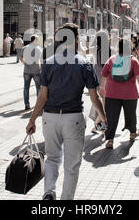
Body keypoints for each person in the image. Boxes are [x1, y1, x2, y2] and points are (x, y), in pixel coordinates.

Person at [26, 23, 107, 201]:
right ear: (76, 40)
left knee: (52, 158)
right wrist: (103, 117)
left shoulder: (48, 63)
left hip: (50, 118)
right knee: (72, 165)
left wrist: (32, 119)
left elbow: (42, 96)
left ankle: (48, 192)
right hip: (73, 118)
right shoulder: (85, 64)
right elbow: (95, 97)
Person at [100, 39, 139, 149]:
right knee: (130, 114)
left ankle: (110, 140)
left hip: (112, 93)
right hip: (130, 94)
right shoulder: (133, 60)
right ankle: (132, 133)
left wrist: (102, 87)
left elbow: (104, 74)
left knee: (111, 117)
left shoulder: (112, 59)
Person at [20, 35, 43, 111]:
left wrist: (25, 64)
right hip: (36, 70)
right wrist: (41, 68)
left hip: (26, 70)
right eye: (38, 39)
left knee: (26, 87)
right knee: (38, 88)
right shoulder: (39, 48)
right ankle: (38, 105)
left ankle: (26, 104)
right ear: (35, 40)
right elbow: (41, 60)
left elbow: (21, 58)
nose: (39, 41)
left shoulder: (25, 48)